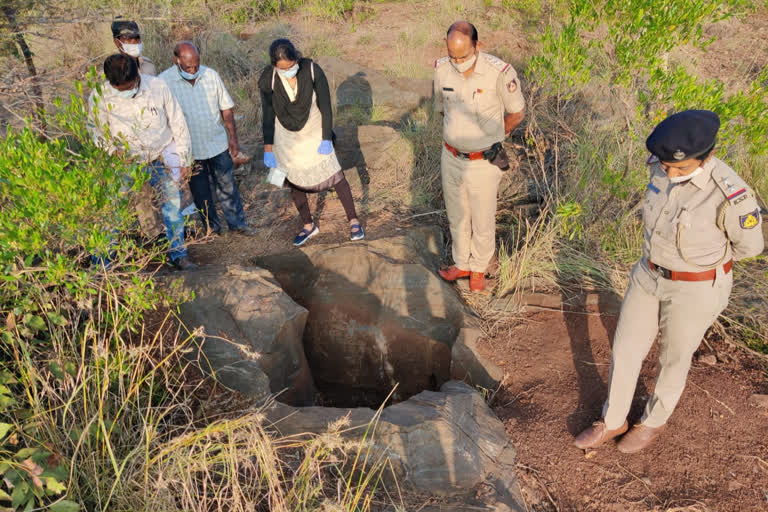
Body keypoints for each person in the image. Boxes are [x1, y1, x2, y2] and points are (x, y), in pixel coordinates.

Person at [574, 110, 764, 453]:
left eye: (681, 168)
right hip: (648, 273)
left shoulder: (731, 195)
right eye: (666, 166)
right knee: (625, 348)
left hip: (696, 287)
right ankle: (614, 418)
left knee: (673, 357)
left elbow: (750, 247)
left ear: (706, 157)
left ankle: (652, 422)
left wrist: (706, 260)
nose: (669, 172)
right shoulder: (661, 166)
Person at [434, 21, 525, 292]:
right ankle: (461, 262)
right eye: (452, 55)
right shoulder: (441, 70)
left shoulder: (499, 73)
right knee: (457, 214)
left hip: (483, 161)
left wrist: (497, 138)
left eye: (463, 56)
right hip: (451, 157)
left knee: (482, 218)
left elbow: (517, 112)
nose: (457, 62)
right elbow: (442, 109)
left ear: (478, 46)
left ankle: (479, 268)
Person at [87, 53, 198, 270]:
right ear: (111, 83)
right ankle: (101, 262)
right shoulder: (100, 96)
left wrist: (183, 159)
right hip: (123, 163)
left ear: (137, 75)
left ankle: (178, 255)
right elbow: (95, 131)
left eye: (129, 86)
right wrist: (112, 151)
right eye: (121, 89)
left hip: (157, 157)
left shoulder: (157, 87)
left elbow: (177, 121)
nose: (127, 91)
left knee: (172, 207)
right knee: (111, 210)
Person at [259, 38, 364, 246]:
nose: (288, 71)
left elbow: (326, 107)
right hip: (286, 137)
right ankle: (308, 226)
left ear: (296, 58)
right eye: (282, 69)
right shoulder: (267, 79)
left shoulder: (312, 70)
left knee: (334, 174)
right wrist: (268, 148)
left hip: (314, 129)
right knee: (294, 179)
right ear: (274, 66)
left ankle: (353, 220)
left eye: (291, 66)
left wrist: (326, 138)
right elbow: (268, 115)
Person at [160, 42, 256, 236]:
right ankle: (212, 228)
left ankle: (237, 224)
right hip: (190, 151)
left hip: (217, 143)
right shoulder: (164, 82)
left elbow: (226, 108)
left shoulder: (210, 75)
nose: (194, 70)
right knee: (201, 193)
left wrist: (233, 138)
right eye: (188, 67)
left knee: (227, 186)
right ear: (176, 60)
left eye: (196, 65)